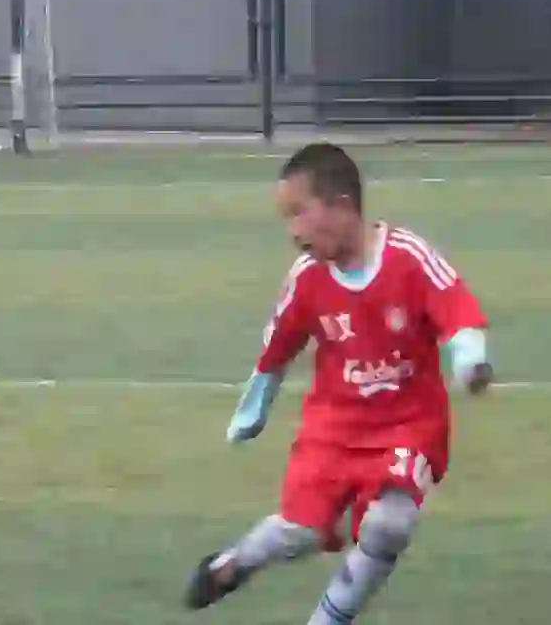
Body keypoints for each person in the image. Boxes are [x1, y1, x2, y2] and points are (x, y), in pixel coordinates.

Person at [183, 143, 494, 624]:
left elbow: (455, 307)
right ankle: (234, 563)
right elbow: (277, 348)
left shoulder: (407, 257)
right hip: (332, 429)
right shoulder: (307, 279)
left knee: (390, 525)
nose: (293, 232)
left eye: (299, 213)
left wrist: (471, 359)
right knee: (301, 532)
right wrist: (251, 412)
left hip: (408, 426)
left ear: (342, 206)